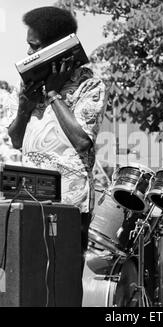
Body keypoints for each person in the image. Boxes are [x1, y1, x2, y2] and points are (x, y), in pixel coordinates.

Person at [7, 6, 107, 271]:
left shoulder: (90, 84)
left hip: (69, 202)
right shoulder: (29, 84)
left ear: (57, 48)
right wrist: (24, 106)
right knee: (26, 278)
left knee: (64, 279)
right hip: (28, 197)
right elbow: (16, 140)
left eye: (34, 46)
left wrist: (54, 95)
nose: (29, 53)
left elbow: (82, 141)